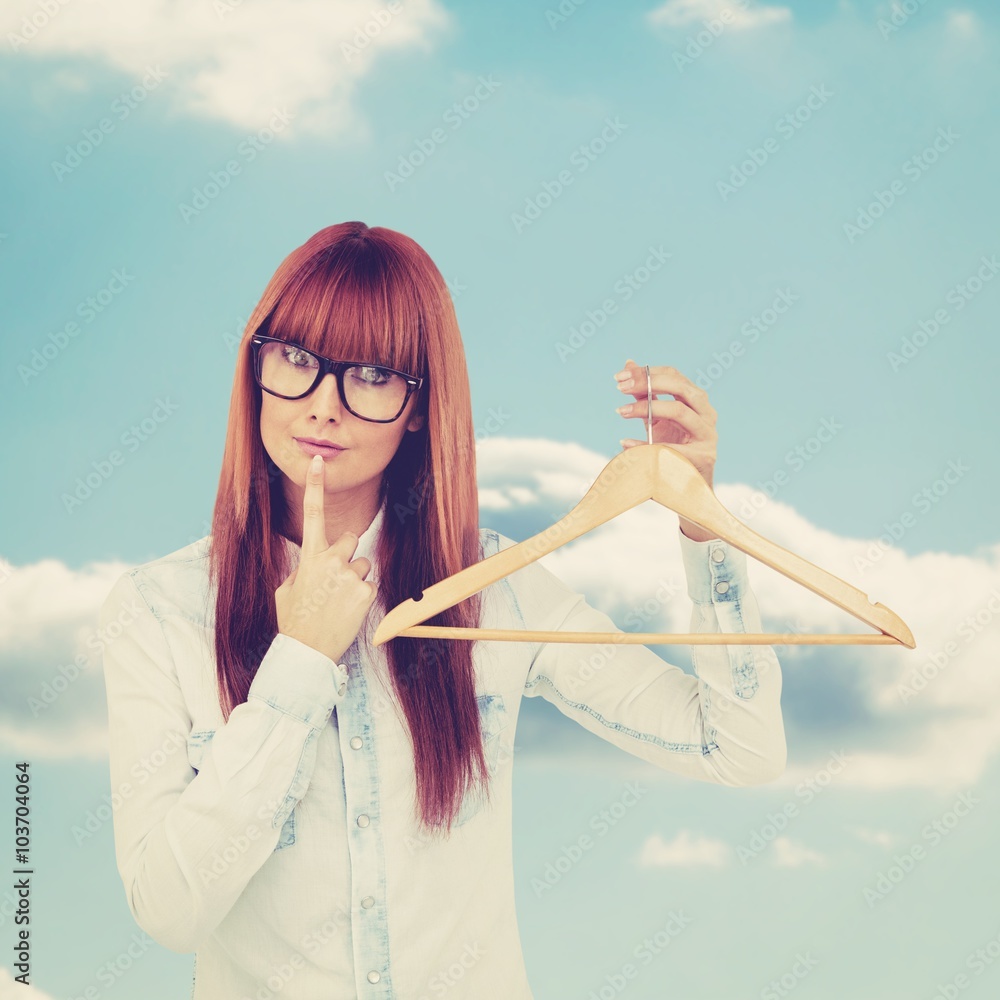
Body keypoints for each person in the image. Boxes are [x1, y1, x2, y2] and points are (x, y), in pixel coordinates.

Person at [99, 220, 786, 999]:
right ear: (255, 367)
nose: (323, 407)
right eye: (294, 360)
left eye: (371, 375)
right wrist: (296, 669)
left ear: (420, 406)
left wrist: (702, 523)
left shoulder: (495, 589)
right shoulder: (158, 611)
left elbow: (740, 749)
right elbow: (167, 911)